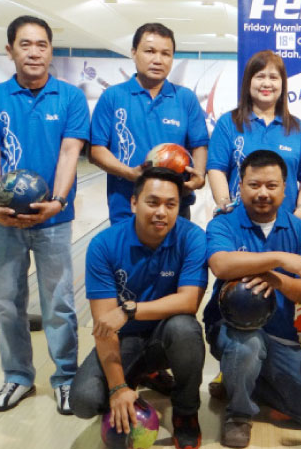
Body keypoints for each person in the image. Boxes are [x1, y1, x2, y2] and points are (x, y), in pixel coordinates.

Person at [0, 15, 89, 415]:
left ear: (50, 50)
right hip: (4, 221)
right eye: (26, 44)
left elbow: (70, 153)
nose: (35, 52)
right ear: (10, 50)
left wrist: (57, 201)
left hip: (54, 220)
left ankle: (65, 378)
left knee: (59, 303)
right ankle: (18, 377)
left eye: (42, 44)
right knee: (7, 303)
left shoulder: (71, 98)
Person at [69, 168, 207, 449]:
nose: (161, 212)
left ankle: (185, 412)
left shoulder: (192, 237)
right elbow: (104, 326)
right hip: (124, 340)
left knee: (185, 327)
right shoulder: (104, 245)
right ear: (134, 203)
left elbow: (188, 301)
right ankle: (135, 383)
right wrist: (118, 388)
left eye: (171, 204)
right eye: (152, 202)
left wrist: (129, 311)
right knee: (84, 401)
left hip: (165, 336)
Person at [203, 150, 301, 448]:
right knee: (247, 345)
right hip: (230, 329)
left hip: (281, 333)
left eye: (271, 186)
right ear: (240, 186)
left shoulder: (300, 230)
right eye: (254, 185)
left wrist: (276, 279)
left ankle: (239, 381)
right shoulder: (224, 223)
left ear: (286, 188)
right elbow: (220, 264)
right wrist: (279, 259)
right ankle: (238, 415)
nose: (262, 193)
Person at [90, 22, 209, 223]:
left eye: (166, 54)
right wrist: (130, 173)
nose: (158, 60)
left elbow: (199, 144)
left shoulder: (185, 98)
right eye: (150, 51)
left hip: (175, 205)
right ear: (134, 52)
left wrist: (198, 175)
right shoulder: (112, 96)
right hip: (126, 205)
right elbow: (96, 150)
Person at [207, 50, 301, 218]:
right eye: (260, 77)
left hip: (285, 224)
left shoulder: (298, 128)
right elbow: (217, 168)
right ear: (248, 82)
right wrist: (224, 202)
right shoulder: (228, 123)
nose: (267, 84)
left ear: (282, 84)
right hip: (238, 220)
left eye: (273, 78)